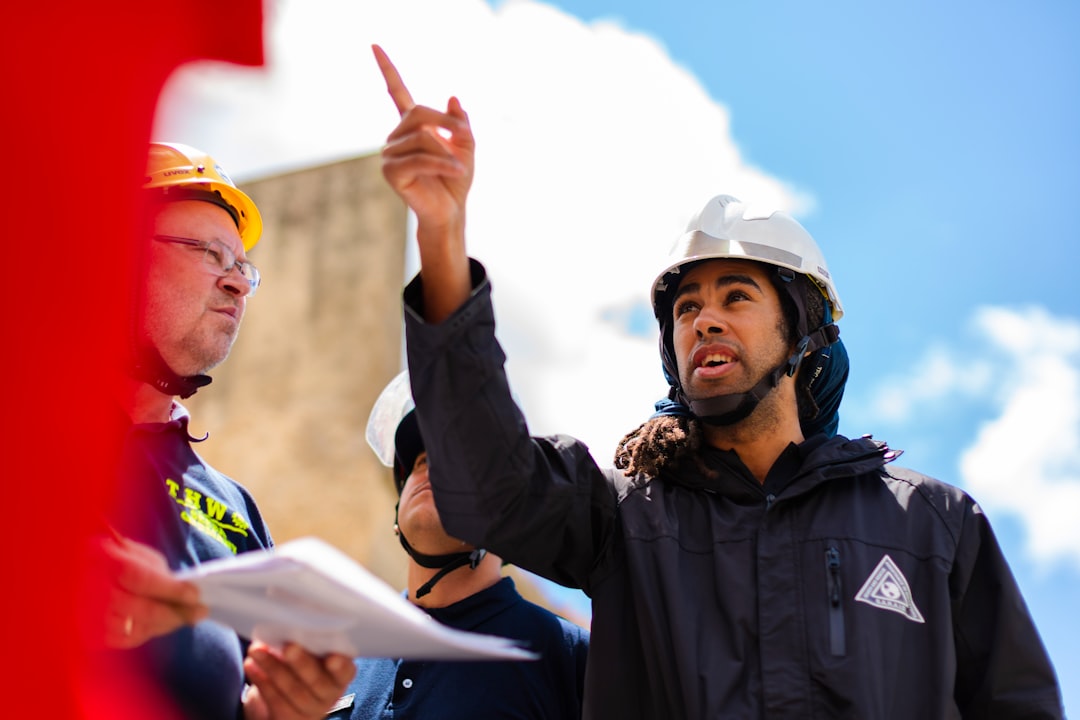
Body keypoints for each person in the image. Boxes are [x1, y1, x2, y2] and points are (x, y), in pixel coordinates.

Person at [371, 44, 1066, 719]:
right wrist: (442, 232)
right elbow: (483, 474)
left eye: (736, 297)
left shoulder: (934, 526)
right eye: (686, 308)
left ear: (804, 332)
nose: (704, 321)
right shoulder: (621, 517)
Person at [84, 142, 355, 720]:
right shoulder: (32, 438)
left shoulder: (231, 505)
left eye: (242, 266)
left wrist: (277, 711)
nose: (237, 284)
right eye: (210, 253)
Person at [328, 371, 589, 719]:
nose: (432, 468)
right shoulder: (339, 655)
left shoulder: (568, 657)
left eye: (458, 461)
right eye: (421, 461)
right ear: (397, 513)